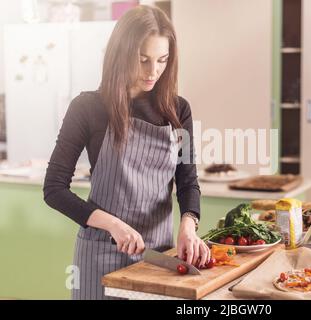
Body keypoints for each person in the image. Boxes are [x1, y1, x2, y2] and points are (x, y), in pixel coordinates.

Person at [43, 5, 210, 300]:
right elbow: (54, 189)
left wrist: (188, 225)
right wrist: (114, 225)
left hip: (159, 255)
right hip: (100, 255)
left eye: (162, 60)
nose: (153, 71)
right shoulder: (88, 108)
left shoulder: (178, 110)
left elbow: (187, 180)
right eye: (143, 59)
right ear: (121, 54)